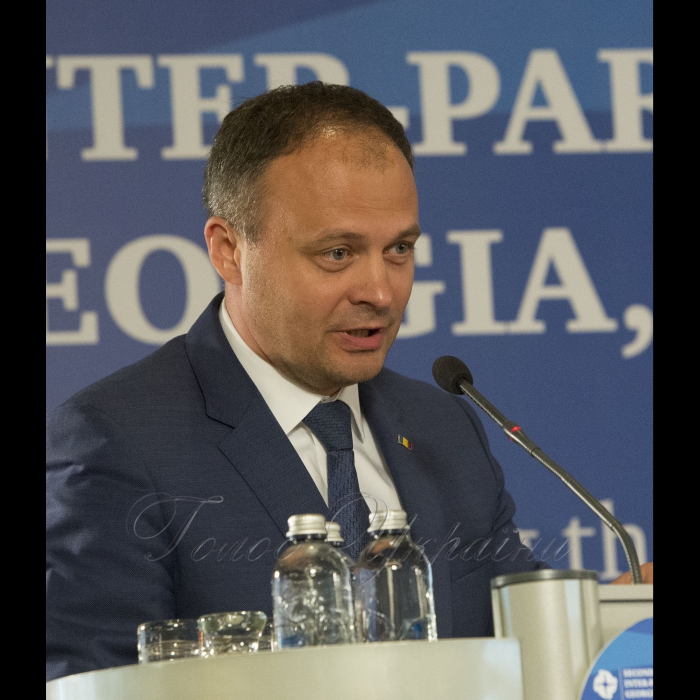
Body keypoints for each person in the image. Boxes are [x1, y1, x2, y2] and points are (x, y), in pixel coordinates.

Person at [46, 82, 648, 683]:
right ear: (229, 250)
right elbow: (93, 683)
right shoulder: (118, 440)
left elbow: (519, 647)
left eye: (399, 249)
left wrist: (620, 615)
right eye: (337, 253)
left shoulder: (443, 425)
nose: (381, 292)